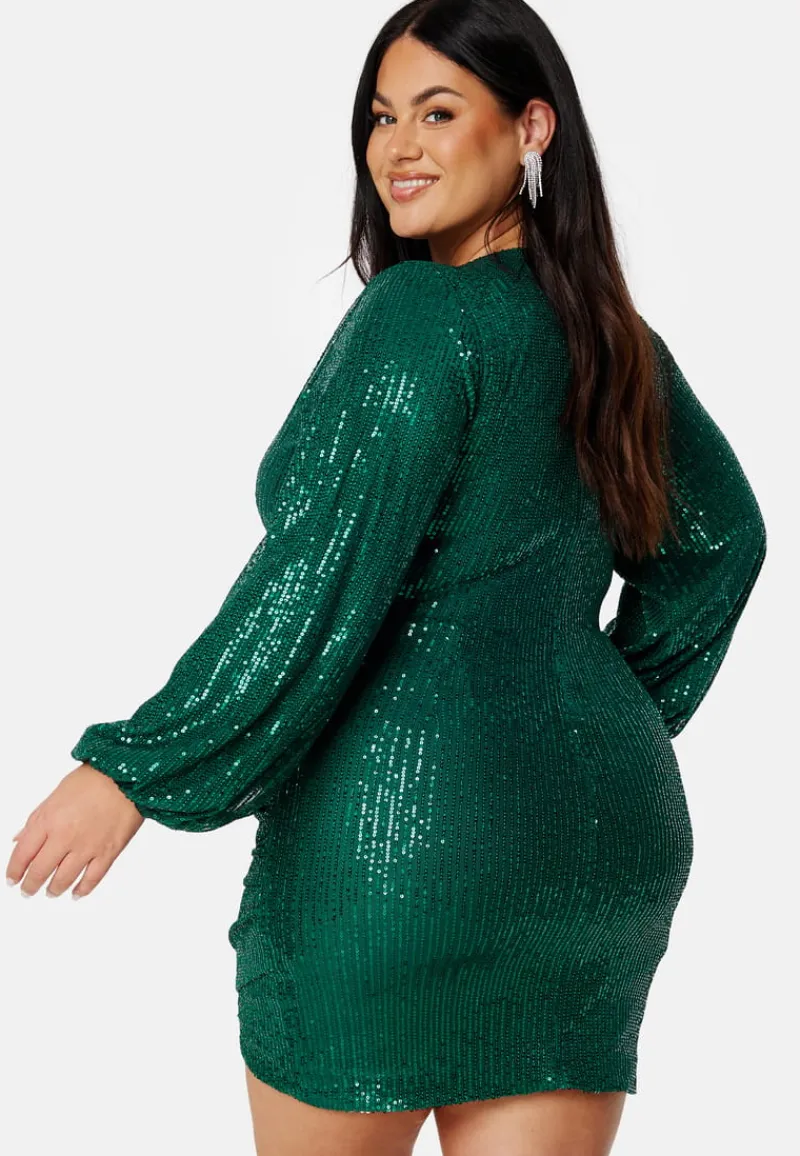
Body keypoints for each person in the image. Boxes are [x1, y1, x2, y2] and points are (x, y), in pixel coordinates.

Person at [6, 2, 767, 1154]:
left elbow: (310, 584)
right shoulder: (614, 339)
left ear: (531, 129)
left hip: (395, 856)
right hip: (595, 851)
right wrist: (592, 707)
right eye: (380, 116)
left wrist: (136, 767)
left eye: (438, 112)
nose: (397, 146)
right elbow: (719, 543)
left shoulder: (419, 317)